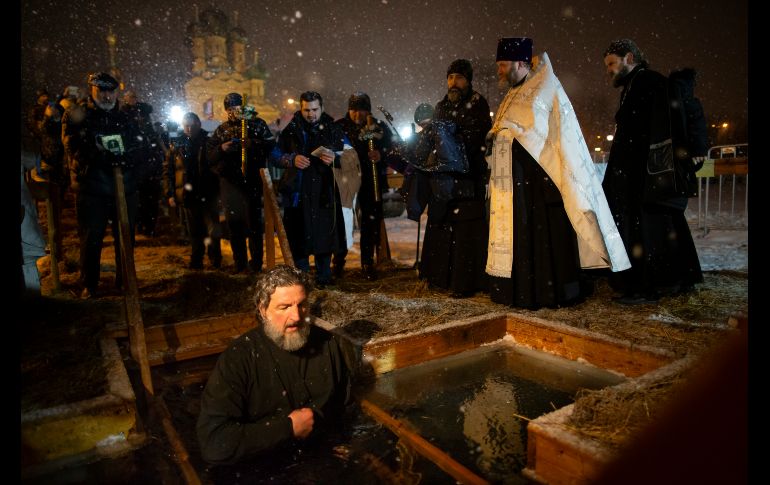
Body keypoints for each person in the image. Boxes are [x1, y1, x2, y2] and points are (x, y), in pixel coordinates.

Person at [485, 37, 630, 309]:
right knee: (521, 235)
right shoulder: (513, 93)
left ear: (520, 62)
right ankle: (519, 292)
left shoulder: (545, 87)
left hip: (540, 183)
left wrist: (512, 135)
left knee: (542, 238)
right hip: (516, 186)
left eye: (503, 65)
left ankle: (546, 293)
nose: (499, 71)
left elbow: (547, 133)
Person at [197, 265, 352, 465]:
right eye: (284, 307)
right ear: (263, 310)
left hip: (320, 458)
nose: (296, 316)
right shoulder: (239, 358)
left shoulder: (327, 343)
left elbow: (344, 405)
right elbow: (214, 443)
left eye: (302, 305)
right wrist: (287, 429)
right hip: (263, 465)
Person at [602, 39, 703, 303]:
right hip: (638, 174)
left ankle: (649, 285)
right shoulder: (634, 85)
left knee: (648, 230)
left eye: (613, 63)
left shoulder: (650, 82)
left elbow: (681, 113)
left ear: (630, 58)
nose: (609, 70)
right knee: (659, 227)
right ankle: (674, 278)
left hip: (645, 174)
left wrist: (694, 148)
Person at [62, 72, 148, 299]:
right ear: (92, 90)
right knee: (92, 237)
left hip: (125, 187)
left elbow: (141, 145)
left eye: (111, 91)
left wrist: (127, 159)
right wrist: (102, 158)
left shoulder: (127, 117)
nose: (107, 96)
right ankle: (89, 284)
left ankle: (126, 282)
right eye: (101, 91)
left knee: (125, 237)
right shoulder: (79, 115)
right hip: (93, 188)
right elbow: (74, 147)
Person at [416, 59, 492, 296]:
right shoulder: (441, 106)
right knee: (443, 228)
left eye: (459, 78)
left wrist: (449, 144)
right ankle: (440, 278)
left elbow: (474, 139)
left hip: (469, 180)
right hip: (445, 183)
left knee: (466, 233)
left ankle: (465, 282)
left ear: (468, 81)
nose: (453, 83)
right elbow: (436, 136)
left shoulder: (478, 103)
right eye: (450, 78)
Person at [270, 91, 347, 286]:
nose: (311, 114)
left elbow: (350, 155)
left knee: (324, 236)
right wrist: (291, 159)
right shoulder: (292, 129)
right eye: (307, 110)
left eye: (314, 109)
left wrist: (336, 158)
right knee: (298, 237)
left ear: (321, 108)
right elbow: (275, 154)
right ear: (301, 108)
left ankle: (324, 277)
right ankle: (302, 280)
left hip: (325, 192)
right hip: (298, 192)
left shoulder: (332, 128)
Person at [207, 93, 276, 273]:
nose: (233, 112)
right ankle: (240, 263)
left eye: (237, 108)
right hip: (230, 183)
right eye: (230, 109)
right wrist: (222, 148)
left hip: (252, 180)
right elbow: (209, 156)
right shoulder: (222, 130)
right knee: (234, 224)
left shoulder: (257, 124)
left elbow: (271, 145)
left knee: (254, 224)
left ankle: (256, 263)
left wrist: (253, 144)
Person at [334, 92, 394, 280]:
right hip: (346, 182)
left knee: (370, 223)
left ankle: (367, 262)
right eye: (353, 110)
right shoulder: (339, 127)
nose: (356, 115)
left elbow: (391, 147)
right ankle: (338, 261)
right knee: (344, 222)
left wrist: (381, 154)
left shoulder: (378, 127)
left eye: (361, 110)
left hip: (370, 181)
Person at [163, 112, 222, 269]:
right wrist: (170, 193)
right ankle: (197, 261)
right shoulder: (177, 145)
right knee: (195, 231)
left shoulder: (208, 142)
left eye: (191, 125)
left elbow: (216, 167)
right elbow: (169, 171)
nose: (188, 128)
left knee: (212, 230)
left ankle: (215, 260)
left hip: (207, 192)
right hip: (189, 194)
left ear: (198, 125)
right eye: (186, 125)